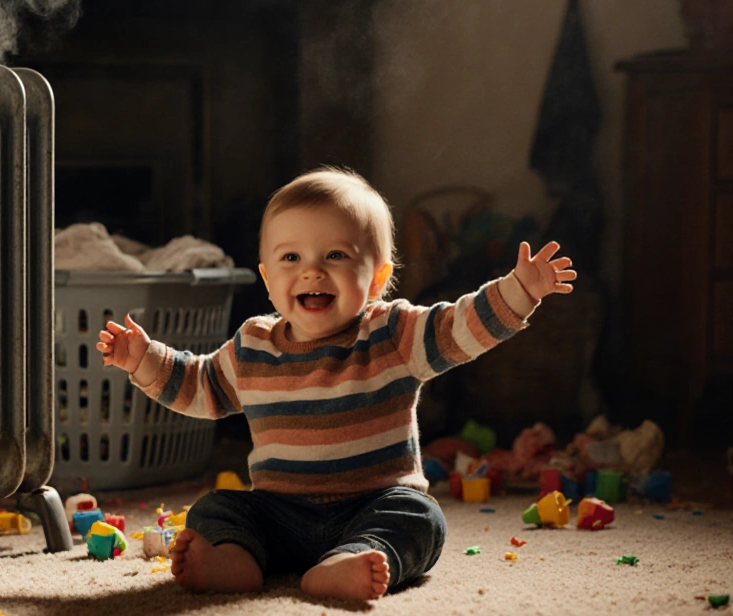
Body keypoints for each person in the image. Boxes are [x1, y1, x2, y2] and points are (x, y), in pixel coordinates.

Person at [95, 166, 575, 600]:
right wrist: (146, 360)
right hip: (278, 513)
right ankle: (232, 560)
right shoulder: (252, 346)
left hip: (374, 504)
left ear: (376, 279)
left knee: (424, 519)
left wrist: (519, 290)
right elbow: (198, 385)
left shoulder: (392, 333)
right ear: (266, 278)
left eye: (335, 255)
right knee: (217, 508)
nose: (311, 270)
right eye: (290, 257)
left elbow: (458, 326)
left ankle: (348, 562)